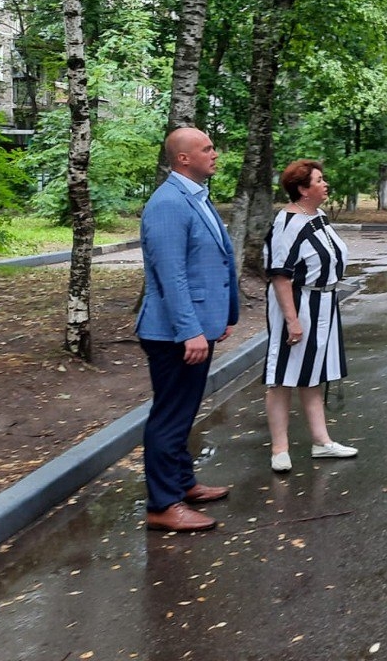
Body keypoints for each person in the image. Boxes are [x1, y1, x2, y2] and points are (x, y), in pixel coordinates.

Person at [136, 127, 239, 532]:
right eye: (207, 149)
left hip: (194, 327)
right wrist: (190, 331)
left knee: (182, 411)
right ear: (183, 159)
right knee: (170, 416)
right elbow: (171, 275)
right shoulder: (167, 204)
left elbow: (216, 262)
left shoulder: (195, 196)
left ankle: (182, 482)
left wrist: (220, 318)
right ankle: (163, 504)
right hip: (172, 334)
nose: (215, 154)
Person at [263, 159, 358, 472]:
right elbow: (280, 274)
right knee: (282, 377)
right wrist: (292, 320)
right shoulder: (287, 223)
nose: (325, 184)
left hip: (323, 303)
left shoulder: (317, 216)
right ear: (303, 190)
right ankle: (280, 449)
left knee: (312, 373)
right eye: (319, 180)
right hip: (299, 303)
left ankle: (321, 441)